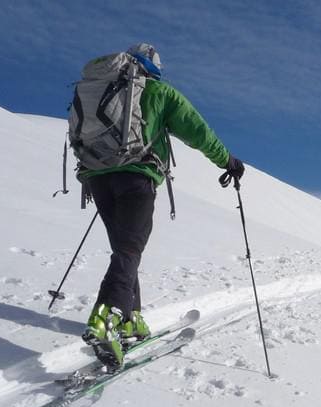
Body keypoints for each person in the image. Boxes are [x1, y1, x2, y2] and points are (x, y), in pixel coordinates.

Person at [78, 43, 245, 369]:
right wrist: (227, 161)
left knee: (124, 250)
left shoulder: (100, 88)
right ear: (151, 67)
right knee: (129, 250)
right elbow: (196, 130)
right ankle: (107, 317)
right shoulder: (158, 93)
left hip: (98, 178)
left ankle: (129, 317)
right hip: (136, 178)